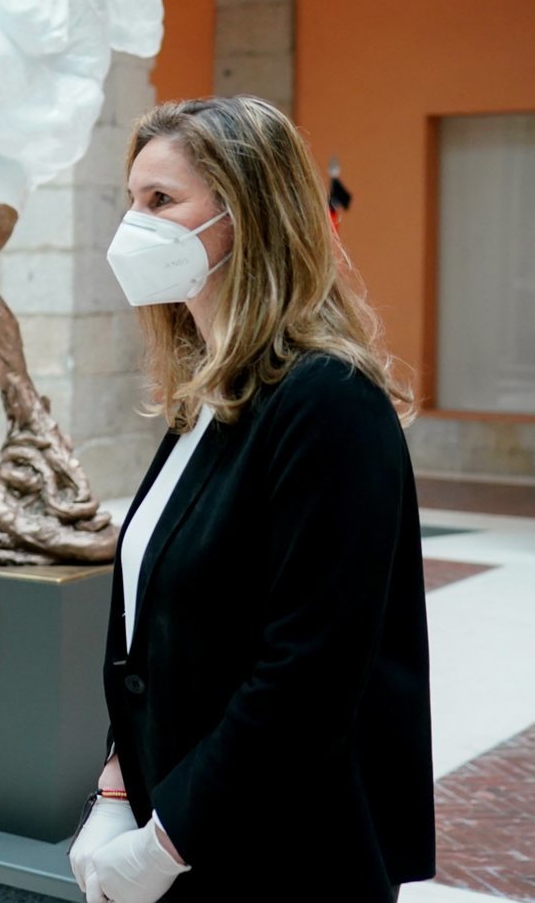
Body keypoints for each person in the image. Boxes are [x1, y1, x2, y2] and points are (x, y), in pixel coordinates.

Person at [67, 96, 434, 903]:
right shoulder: (209, 394)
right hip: (189, 829)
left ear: (246, 215)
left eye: (162, 201)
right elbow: (156, 637)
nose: (135, 225)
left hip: (281, 850)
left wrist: (165, 841)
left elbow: (308, 673)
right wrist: (118, 792)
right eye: (132, 200)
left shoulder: (329, 400)